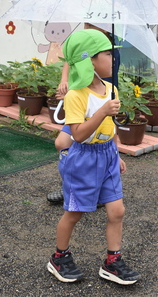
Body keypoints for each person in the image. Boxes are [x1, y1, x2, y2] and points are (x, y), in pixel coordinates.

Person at [47, 29, 140, 285]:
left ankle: (112, 261)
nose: (113, 59)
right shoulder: (76, 96)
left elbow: (111, 128)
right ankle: (59, 257)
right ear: (90, 61)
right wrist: (101, 112)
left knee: (117, 211)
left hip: (107, 155)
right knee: (74, 212)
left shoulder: (111, 89)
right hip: (83, 159)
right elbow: (77, 135)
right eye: (107, 54)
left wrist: (117, 152)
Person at [47, 24, 118, 204]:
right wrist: (66, 83)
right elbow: (70, 60)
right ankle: (72, 185)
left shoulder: (104, 48)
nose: (88, 25)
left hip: (98, 105)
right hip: (82, 108)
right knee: (62, 142)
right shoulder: (86, 40)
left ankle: (95, 186)